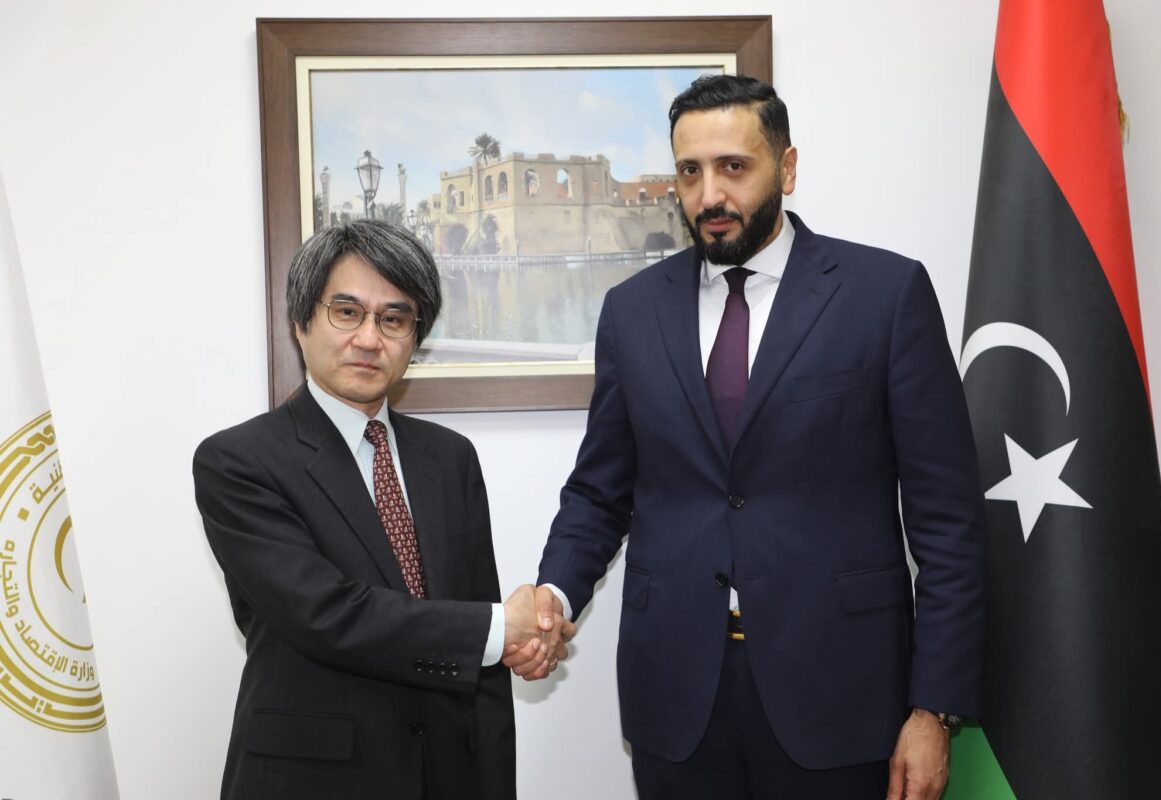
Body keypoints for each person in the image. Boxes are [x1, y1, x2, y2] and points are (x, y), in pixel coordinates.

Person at [526, 74, 986, 799]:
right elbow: (599, 493)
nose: (709, 195)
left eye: (733, 167)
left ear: (787, 167)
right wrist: (553, 594)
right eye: (689, 171)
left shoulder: (885, 295)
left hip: (843, 695)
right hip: (675, 694)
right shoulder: (631, 312)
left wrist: (935, 707)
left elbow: (949, 521)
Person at [194, 220, 568, 799]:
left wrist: (513, 642)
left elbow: (482, 658)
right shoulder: (238, 461)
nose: (370, 339)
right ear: (300, 321)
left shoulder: (451, 457)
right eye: (347, 312)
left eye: (394, 319)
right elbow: (328, 616)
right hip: (312, 781)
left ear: (415, 338)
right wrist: (501, 629)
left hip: (448, 774)